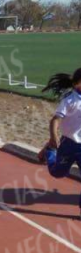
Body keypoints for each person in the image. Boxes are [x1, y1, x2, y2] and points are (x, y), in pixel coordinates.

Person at [39, 69, 81, 219]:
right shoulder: (69, 99)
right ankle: (50, 151)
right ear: (78, 83)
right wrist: (53, 137)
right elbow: (55, 120)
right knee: (57, 173)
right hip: (68, 144)